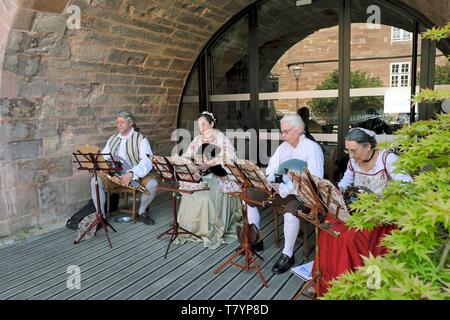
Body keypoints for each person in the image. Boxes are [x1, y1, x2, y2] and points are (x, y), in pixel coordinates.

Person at [311, 127, 412, 297]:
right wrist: (334, 192)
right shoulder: (353, 161)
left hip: (381, 217)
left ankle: (352, 283)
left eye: (353, 150)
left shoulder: (387, 159)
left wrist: (387, 203)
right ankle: (329, 282)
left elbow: (408, 187)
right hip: (357, 211)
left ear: (368, 147)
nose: (350, 155)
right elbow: (345, 181)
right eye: (347, 150)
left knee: (348, 237)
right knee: (328, 225)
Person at [246, 114, 324, 274]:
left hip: (305, 193)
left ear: (299, 130)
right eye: (282, 132)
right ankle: (256, 239)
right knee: (250, 197)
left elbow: (315, 180)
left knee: (290, 213)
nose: (283, 135)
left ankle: (287, 254)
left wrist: (285, 189)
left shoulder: (312, 148)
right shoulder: (283, 148)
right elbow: (271, 169)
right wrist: (272, 180)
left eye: (286, 132)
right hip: (282, 188)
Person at [175, 111, 242, 249]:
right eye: (199, 125)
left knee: (206, 196)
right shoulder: (197, 139)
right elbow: (188, 154)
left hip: (218, 174)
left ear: (212, 123)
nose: (201, 128)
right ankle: (189, 228)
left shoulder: (220, 138)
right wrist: (182, 160)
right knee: (188, 193)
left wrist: (210, 164)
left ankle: (207, 230)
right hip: (201, 173)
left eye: (204, 124)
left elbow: (231, 157)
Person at [91, 111, 158, 225]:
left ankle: (142, 212)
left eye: (122, 122)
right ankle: (100, 217)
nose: (119, 125)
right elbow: (104, 158)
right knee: (95, 182)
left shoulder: (141, 139)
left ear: (130, 123)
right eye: (117, 122)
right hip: (115, 176)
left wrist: (132, 173)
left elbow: (147, 161)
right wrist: (104, 166)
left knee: (153, 185)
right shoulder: (112, 139)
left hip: (135, 175)